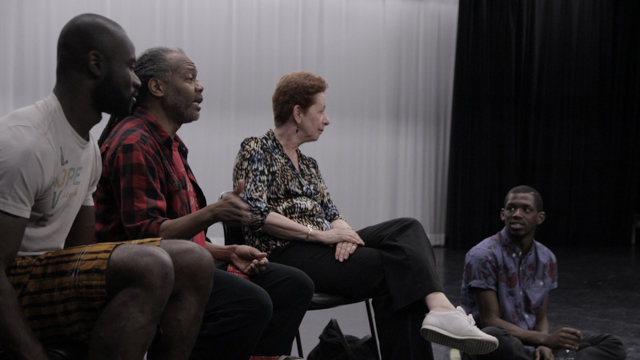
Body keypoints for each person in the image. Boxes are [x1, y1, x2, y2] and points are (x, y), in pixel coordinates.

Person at [232, 71, 499, 360]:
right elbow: (255, 212)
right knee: (396, 269)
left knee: (407, 228)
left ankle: (440, 308)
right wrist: (323, 236)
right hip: (284, 252)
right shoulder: (256, 149)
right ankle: (443, 313)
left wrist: (346, 234)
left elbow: (332, 212)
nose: (327, 119)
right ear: (298, 113)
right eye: (320, 111)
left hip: (322, 245)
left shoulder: (309, 164)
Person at [0, 14, 213, 360]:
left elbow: (83, 253)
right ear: (96, 65)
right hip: (18, 280)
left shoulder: (87, 151)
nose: (135, 82)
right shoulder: (27, 143)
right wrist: (32, 352)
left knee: (194, 260)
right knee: (150, 265)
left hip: (50, 273)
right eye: (129, 69)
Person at [94, 47, 313, 360]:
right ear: (156, 87)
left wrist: (227, 252)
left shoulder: (171, 145)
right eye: (190, 78)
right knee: (250, 303)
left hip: (183, 260)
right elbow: (145, 238)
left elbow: (181, 237)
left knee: (294, 286)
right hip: (144, 274)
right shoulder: (134, 143)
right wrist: (213, 213)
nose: (200, 87)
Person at [460, 185, 627, 360]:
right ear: (503, 214)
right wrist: (545, 339)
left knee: (613, 345)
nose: (517, 214)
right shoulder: (483, 255)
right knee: (494, 336)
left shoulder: (546, 258)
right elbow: (490, 321)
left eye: (526, 209)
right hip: (496, 345)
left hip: (531, 343)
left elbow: (540, 317)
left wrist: (543, 344)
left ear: (540, 218)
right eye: (511, 208)